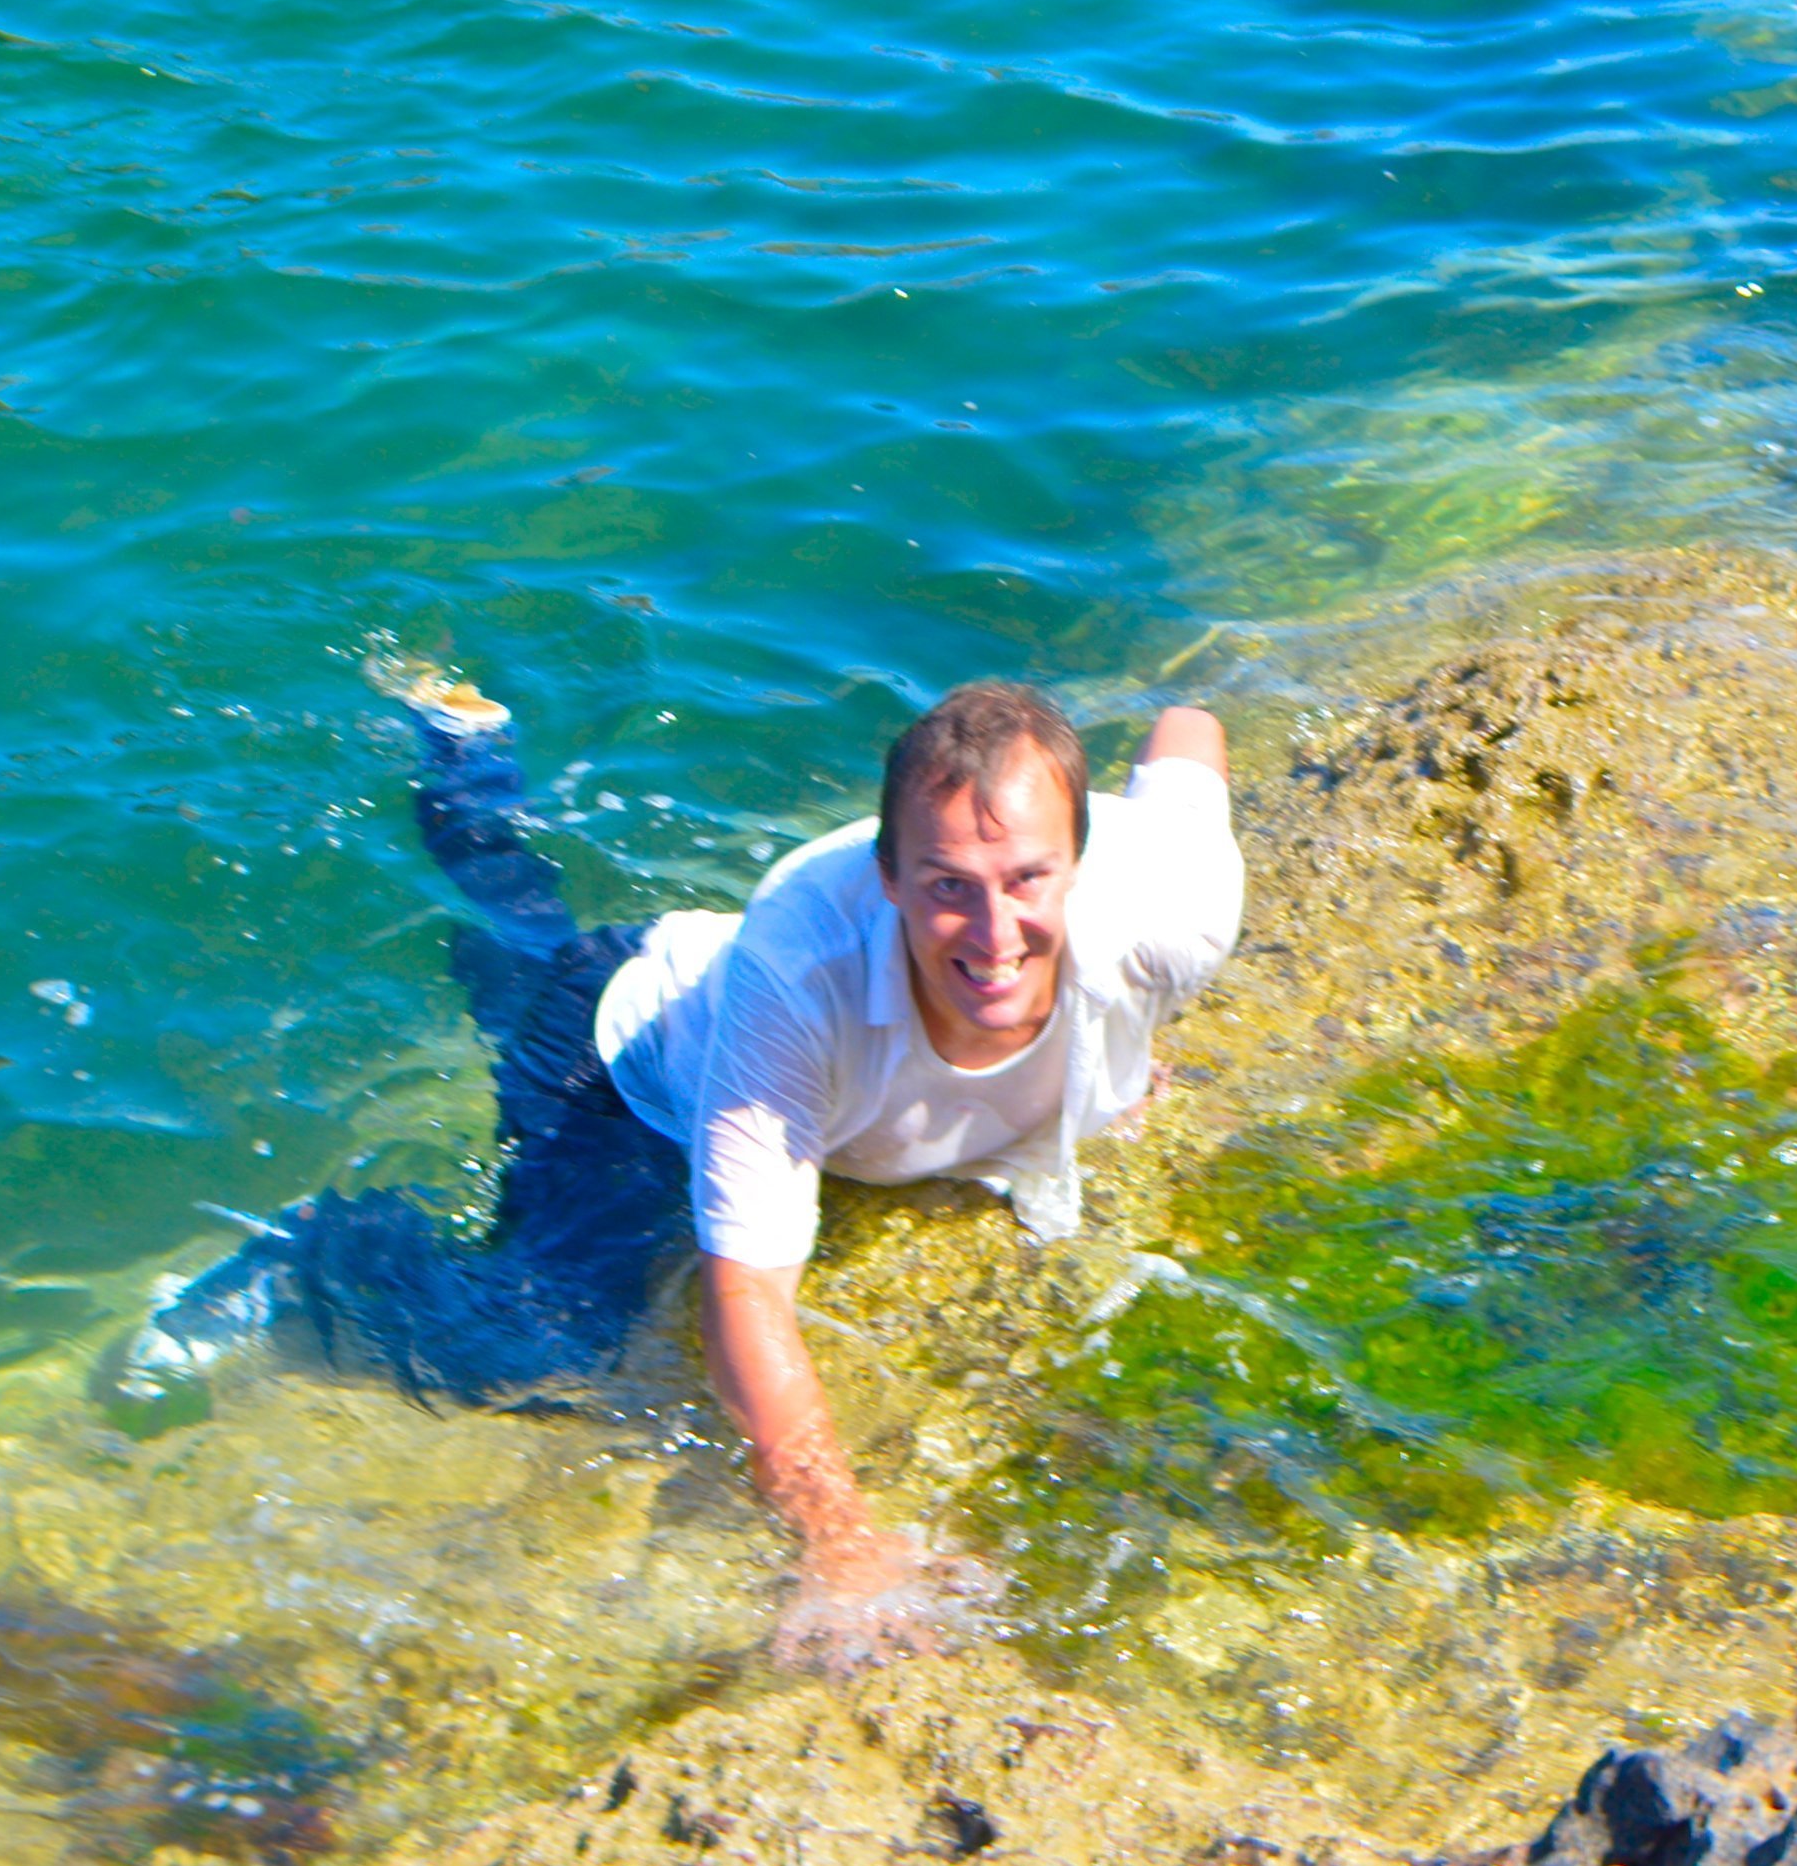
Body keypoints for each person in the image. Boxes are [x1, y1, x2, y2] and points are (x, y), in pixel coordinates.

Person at [106, 656, 1243, 1669]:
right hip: (628, 1065)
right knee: (529, 1346)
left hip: (728, 1002)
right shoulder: (799, 975)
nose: (993, 935)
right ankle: (316, 1256)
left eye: (1028, 880)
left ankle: (469, 750)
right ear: (889, 877)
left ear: (1081, 862)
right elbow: (742, 1295)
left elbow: (1186, 735)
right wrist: (840, 1545)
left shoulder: (1169, 911)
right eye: (948, 885)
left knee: (519, 934)